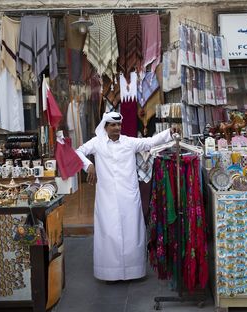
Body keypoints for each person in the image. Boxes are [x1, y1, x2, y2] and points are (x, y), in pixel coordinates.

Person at [75, 111, 177, 281]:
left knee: (132, 231)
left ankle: (133, 271)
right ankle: (109, 273)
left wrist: (169, 133)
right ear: (105, 127)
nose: (116, 128)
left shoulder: (129, 142)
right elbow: (78, 152)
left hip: (129, 194)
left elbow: (150, 142)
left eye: (119, 125)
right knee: (109, 232)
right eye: (113, 125)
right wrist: (89, 165)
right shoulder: (97, 143)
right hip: (106, 197)